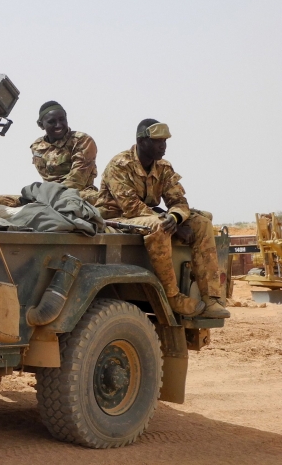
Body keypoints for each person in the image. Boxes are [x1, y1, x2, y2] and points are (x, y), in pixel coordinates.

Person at [96, 119, 229, 319]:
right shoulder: (120, 164)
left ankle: (211, 299)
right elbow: (131, 207)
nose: (163, 146)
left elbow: (179, 201)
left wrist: (175, 217)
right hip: (118, 218)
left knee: (201, 222)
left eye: (165, 141)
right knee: (159, 225)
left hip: (148, 216)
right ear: (141, 142)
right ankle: (172, 297)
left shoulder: (163, 167)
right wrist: (172, 225)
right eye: (157, 141)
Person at [0, 101, 99, 207]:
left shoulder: (81, 140)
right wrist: (35, 196)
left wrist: (46, 196)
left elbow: (77, 180)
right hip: (45, 196)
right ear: (41, 125)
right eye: (52, 122)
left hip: (76, 193)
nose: (58, 125)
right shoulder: (37, 146)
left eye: (62, 119)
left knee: (96, 199)